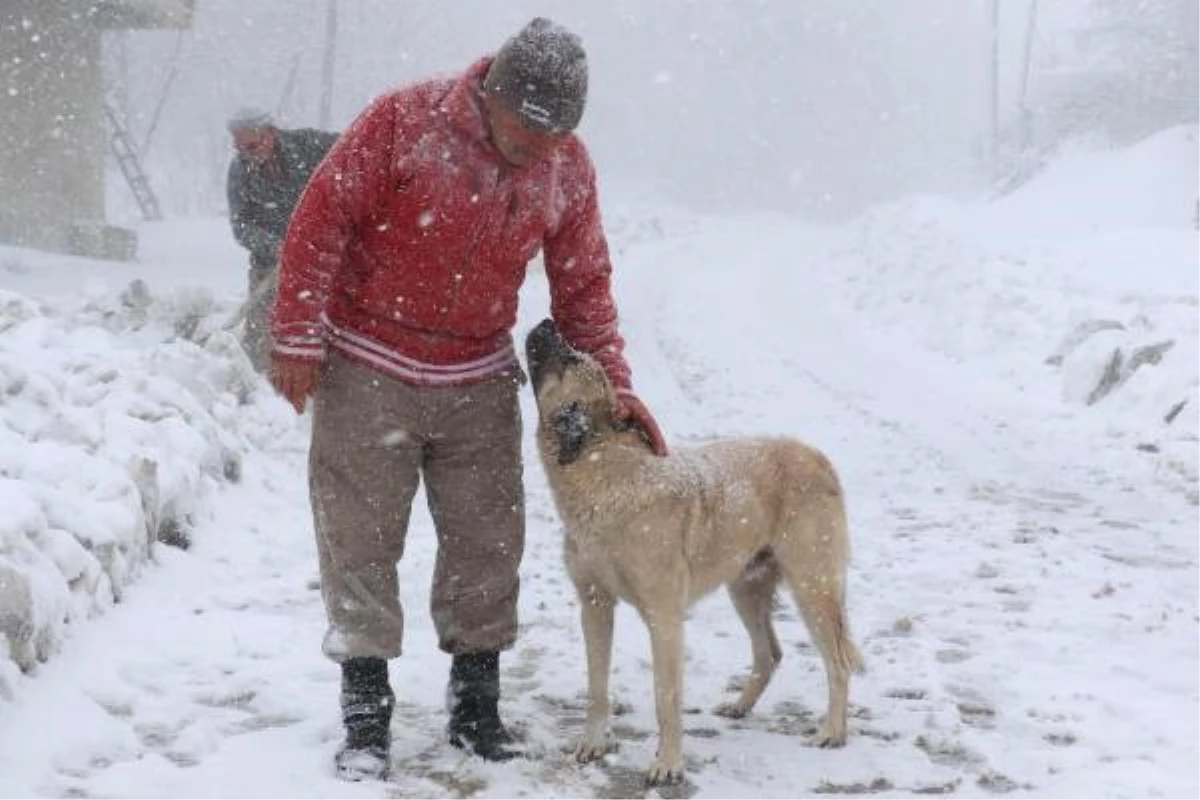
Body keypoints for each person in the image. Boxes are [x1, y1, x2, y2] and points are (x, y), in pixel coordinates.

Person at [269, 17, 669, 781]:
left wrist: (614, 392)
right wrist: (296, 333)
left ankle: (476, 704)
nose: (542, 146)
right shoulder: (403, 121)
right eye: (531, 127)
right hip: (367, 364)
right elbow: (321, 219)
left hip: (477, 374)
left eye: (560, 134)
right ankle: (364, 710)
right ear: (492, 93)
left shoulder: (567, 169)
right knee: (360, 540)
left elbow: (583, 288)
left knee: (488, 542)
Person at [226, 109, 338, 372]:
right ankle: (258, 387)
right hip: (270, 264)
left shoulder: (310, 146)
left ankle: (324, 382)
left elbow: (356, 150)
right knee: (261, 331)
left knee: (326, 325)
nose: (246, 153)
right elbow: (241, 226)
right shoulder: (240, 170)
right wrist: (276, 246)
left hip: (321, 261)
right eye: (239, 147)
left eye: (251, 145)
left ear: (270, 133)